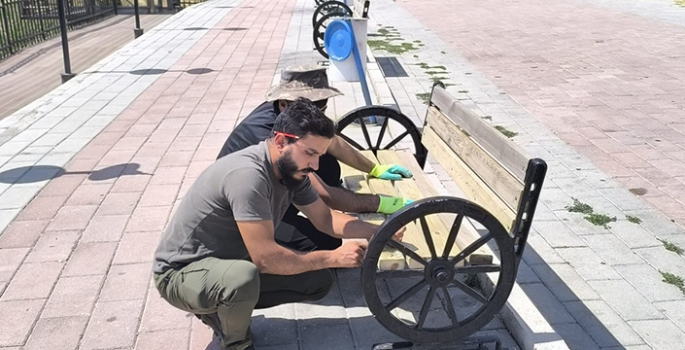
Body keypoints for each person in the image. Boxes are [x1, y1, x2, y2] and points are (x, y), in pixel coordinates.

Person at [153, 98, 403, 350]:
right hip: (179, 274)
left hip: (227, 259)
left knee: (317, 281)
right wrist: (334, 257)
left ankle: (224, 304)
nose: (315, 165)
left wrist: (380, 232)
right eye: (310, 153)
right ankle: (235, 342)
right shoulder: (248, 177)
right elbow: (266, 260)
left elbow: (326, 219)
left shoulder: (292, 170)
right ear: (282, 141)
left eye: (320, 155)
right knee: (243, 278)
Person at [217, 64, 413, 252]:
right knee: (325, 242)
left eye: (323, 107)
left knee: (327, 164)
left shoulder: (291, 115)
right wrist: (381, 203)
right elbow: (324, 194)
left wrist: (374, 169)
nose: (317, 115)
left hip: (269, 192)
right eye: (313, 107)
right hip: (241, 214)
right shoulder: (272, 136)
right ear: (284, 103)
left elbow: (334, 143)